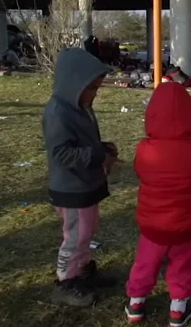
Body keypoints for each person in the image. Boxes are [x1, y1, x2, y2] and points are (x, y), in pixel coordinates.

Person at [125, 82, 191, 325]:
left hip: (152, 224)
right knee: (182, 264)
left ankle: (136, 302)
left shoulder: (144, 148)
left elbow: (140, 171)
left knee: (145, 263)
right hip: (185, 224)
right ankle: (178, 308)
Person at [43, 48, 118, 307]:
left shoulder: (81, 107)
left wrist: (104, 148)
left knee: (87, 232)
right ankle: (66, 282)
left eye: (96, 88)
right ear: (72, 83)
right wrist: (97, 155)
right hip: (71, 189)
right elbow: (62, 154)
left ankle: (84, 272)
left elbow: (86, 142)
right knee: (75, 236)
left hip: (87, 184)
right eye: (91, 88)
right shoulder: (58, 113)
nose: (94, 94)